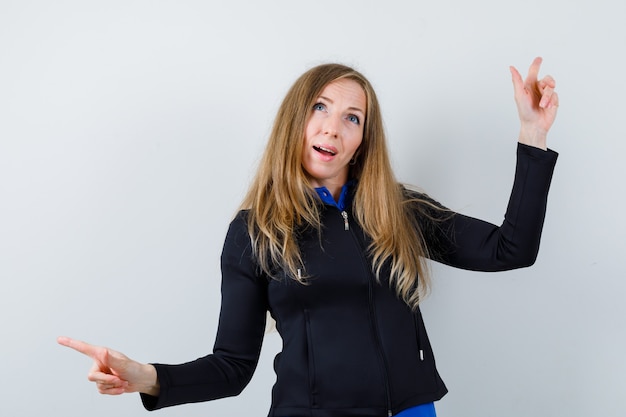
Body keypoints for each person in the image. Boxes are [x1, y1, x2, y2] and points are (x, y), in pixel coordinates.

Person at [58, 57, 559, 417]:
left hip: (410, 410)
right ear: (295, 121)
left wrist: (532, 135)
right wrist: (147, 377)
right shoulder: (255, 231)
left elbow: (509, 250)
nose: (333, 127)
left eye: (352, 118)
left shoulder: (397, 209)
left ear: (363, 140)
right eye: (319, 108)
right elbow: (232, 365)